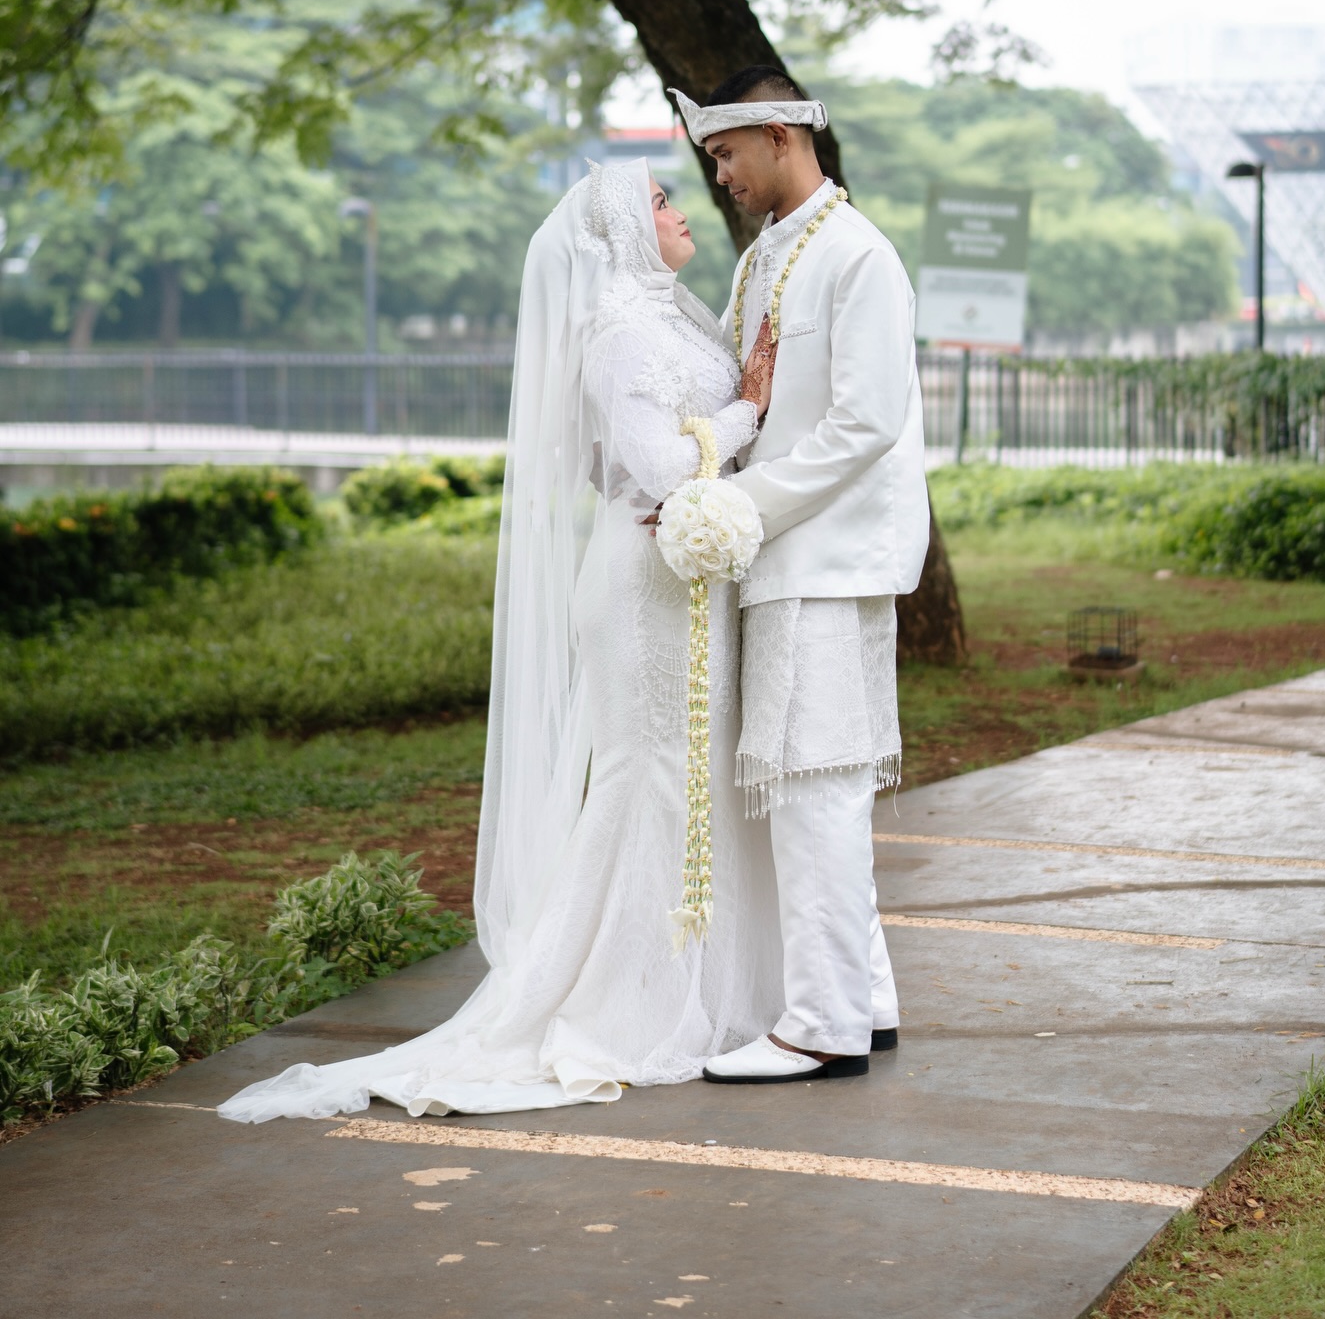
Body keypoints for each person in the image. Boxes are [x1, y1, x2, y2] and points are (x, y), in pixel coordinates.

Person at [217, 161, 783, 1122]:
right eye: (658, 202)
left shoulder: (679, 313)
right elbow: (653, 463)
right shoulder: (614, 334)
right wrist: (750, 410)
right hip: (640, 586)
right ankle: (622, 998)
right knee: (647, 775)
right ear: (620, 231)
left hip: (684, 575)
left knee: (692, 777)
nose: (681, 209)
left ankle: (705, 986)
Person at [666, 70, 930, 1086]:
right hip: (792, 556)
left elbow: (865, 425)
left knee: (816, 783)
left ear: (779, 136)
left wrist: (743, 508)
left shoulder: (857, 255)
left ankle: (821, 1026)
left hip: (824, 556)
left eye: (727, 155)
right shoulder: (766, 259)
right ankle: (864, 998)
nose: (719, 176)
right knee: (819, 779)